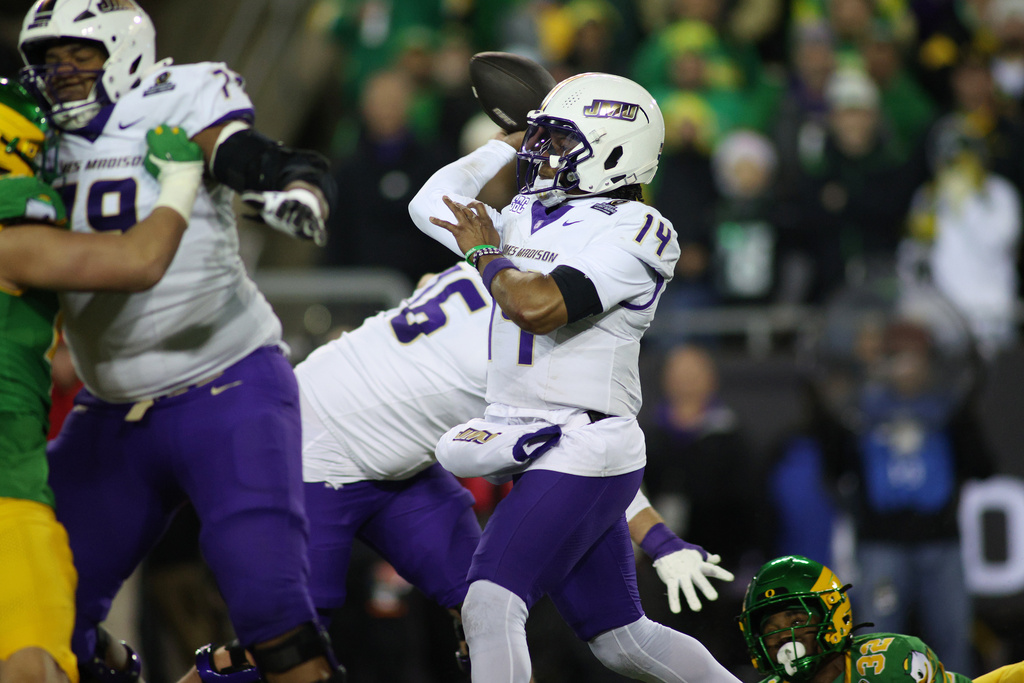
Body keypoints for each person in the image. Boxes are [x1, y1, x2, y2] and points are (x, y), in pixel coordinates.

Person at [188, 261, 736, 680]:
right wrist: (660, 540)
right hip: (313, 448)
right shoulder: (525, 351)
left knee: (482, 607)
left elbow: (439, 279)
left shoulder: (501, 269)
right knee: (284, 650)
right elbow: (589, 469)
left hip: (396, 456)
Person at [16, 2, 344, 683]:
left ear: (124, 48)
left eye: (81, 53)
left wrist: (296, 184)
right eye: (50, 58)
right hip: (112, 409)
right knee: (41, 615)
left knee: (273, 613)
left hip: (225, 387)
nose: (63, 71)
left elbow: (241, 152)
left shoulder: (176, 96)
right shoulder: (31, 133)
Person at [408, 71, 742, 683]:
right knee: (622, 640)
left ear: (613, 151)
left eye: (560, 142)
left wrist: (486, 254)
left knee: (488, 603)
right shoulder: (529, 213)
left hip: (584, 442)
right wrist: (501, 144)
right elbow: (429, 203)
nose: (542, 154)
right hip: (534, 438)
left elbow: (539, 306)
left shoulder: (640, 229)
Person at [0, 77, 203, 683]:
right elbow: (140, 262)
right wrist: (180, 182)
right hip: (9, 495)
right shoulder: (15, 241)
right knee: (35, 667)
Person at [736, 554, 1024, 683]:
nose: (783, 637)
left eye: (796, 621)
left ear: (832, 615)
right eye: (771, 630)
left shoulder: (890, 661)